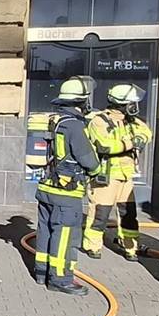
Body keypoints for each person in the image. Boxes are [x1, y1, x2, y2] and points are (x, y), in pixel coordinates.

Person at [33, 76, 101, 296]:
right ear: (82, 102)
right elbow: (88, 160)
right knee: (64, 236)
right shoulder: (75, 126)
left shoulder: (56, 121)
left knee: (45, 231)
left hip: (47, 188)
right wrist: (97, 171)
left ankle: (41, 271)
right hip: (66, 192)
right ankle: (60, 279)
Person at [82, 84, 153, 261]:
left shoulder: (131, 121)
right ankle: (93, 246)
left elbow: (146, 132)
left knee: (128, 215)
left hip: (125, 176)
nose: (135, 106)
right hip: (106, 176)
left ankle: (130, 247)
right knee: (100, 213)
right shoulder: (99, 120)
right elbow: (105, 146)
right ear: (123, 103)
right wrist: (130, 143)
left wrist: (138, 139)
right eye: (132, 103)